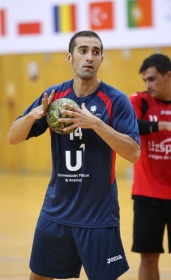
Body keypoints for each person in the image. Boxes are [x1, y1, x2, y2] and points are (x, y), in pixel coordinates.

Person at [7, 30, 141, 280]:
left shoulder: (116, 101)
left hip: (98, 216)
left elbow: (133, 153)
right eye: (83, 51)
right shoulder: (55, 97)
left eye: (96, 52)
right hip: (56, 212)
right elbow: (13, 137)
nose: (90, 57)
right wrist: (34, 116)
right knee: (38, 277)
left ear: (101, 59)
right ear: (70, 57)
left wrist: (95, 123)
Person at [130, 53, 171, 280]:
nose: (148, 85)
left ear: (169, 75)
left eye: (152, 79)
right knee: (148, 257)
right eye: (145, 80)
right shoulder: (140, 101)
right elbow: (130, 125)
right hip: (148, 194)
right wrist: (163, 125)